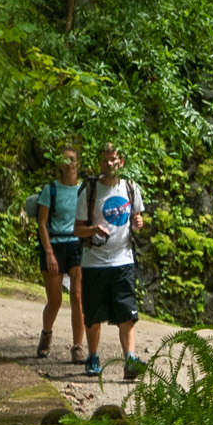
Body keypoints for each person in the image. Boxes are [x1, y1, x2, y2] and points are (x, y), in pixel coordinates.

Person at [75, 143, 147, 381]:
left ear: (121, 162)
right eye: (105, 160)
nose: (108, 164)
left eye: (113, 160)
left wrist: (138, 224)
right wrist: (93, 229)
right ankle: (93, 356)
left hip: (123, 261)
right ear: (100, 162)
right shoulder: (90, 190)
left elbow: (138, 219)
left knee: (127, 313)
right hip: (94, 262)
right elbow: (77, 230)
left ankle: (130, 360)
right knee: (93, 314)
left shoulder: (131, 188)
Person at [24, 142, 85, 358]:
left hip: (77, 245)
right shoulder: (50, 190)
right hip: (55, 244)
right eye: (65, 159)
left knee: (77, 298)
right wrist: (49, 252)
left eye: (72, 159)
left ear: (78, 162)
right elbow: (42, 222)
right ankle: (47, 334)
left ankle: (78, 346)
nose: (68, 164)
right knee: (56, 299)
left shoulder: (84, 190)